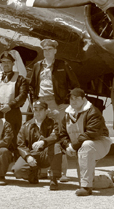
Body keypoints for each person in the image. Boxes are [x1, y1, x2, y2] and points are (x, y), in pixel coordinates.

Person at [29, 38, 80, 182]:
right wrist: (34, 101)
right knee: (40, 134)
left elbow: (75, 85)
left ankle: (62, 172)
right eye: (45, 50)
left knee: (59, 135)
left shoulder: (62, 65)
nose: (47, 52)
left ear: (55, 51)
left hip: (57, 104)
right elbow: (32, 85)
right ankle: (43, 169)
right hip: (41, 102)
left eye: (50, 49)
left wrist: (66, 102)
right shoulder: (38, 66)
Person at [58, 88, 114, 196]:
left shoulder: (93, 111)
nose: (73, 101)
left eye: (76, 98)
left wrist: (73, 147)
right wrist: (67, 145)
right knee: (85, 179)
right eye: (71, 98)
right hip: (80, 147)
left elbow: (91, 133)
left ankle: (86, 188)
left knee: (87, 144)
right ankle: (109, 177)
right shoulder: (67, 114)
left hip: (100, 144)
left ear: (83, 99)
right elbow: (62, 134)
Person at [12, 100, 62, 190]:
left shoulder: (53, 123)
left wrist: (43, 142)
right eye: (35, 110)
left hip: (47, 153)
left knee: (57, 147)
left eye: (40, 110)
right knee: (18, 170)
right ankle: (34, 172)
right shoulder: (26, 125)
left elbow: (55, 136)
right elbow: (20, 144)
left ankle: (53, 178)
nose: (37, 112)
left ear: (46, 111)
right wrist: (27, 157)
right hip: (32, 154)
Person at [0, 51, 29, 160]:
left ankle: (16, 162)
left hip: (13, 113)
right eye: (3, 62)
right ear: (0, 64)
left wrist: (10, 105)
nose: (6, 64)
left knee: (15, 138)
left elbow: (22, 95)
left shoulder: (20, 79)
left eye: (8, 62)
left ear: (13, 63)